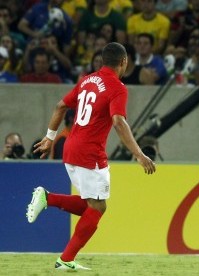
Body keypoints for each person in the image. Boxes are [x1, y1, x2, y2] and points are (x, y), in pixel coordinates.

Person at [27, 42, 156, 271]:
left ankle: (49, 200)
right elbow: (118, 121)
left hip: (69, 149)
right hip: (89, 153)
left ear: (102, 61)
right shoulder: (117, 87)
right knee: (97, 208)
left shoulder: (86, 80)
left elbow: (60, 106)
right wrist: (138, 153)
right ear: (124, 62)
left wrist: (49, 137)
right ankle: (65, 258)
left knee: (92, 205)